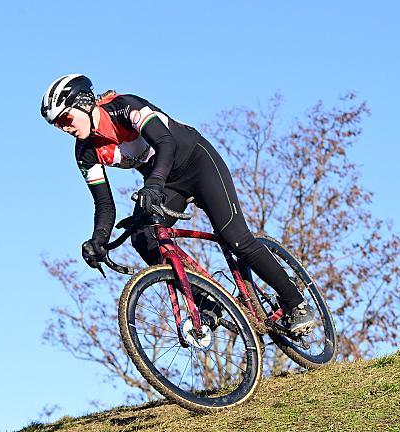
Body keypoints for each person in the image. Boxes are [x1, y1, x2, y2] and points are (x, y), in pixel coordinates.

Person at [40, 74, 316, 334]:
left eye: (65, 118)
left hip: (197, 163)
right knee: (143, 238)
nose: (65, 127)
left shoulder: (125, 107)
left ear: (84, 104)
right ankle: (208, 301)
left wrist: (154, 184)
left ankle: (295, 302)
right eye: (57, 125)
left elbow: (166, 143)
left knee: (236, 239)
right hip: (166, 183)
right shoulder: (85, 153)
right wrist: (98, 240)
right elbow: (104, 204)